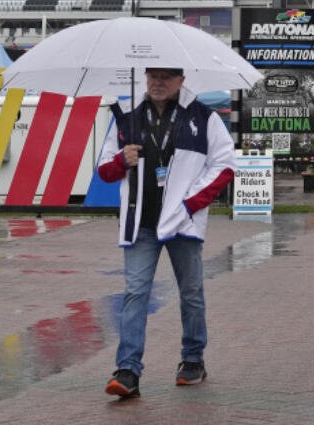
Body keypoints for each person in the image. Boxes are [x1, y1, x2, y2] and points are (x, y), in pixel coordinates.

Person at [97, 67, 236, 398]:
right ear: (145, 77)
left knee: (191, 293)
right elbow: (103, 170)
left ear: (181, 80)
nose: (158, 82)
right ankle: (128, 369)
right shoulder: (126, 117)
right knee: (134, 293)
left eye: (167, 77)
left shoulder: (203, 117)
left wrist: (189, 206)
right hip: (141, 223)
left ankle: (193, 360)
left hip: (182, 223)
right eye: (153, 76)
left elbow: (226, 165)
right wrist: (121, 161)